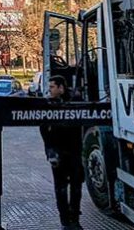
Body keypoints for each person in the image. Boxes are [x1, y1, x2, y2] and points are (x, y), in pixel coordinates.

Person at [40, 75, 84, 230]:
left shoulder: (75, 102)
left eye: (52, 87)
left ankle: (74, 219)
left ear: (61, 87)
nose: (49, 90)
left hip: (74, 151)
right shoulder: (49, 104)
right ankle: (65, 221)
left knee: (76, 187)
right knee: (60, 187)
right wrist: (50, 151)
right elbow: (44, 129)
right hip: (58, 151)